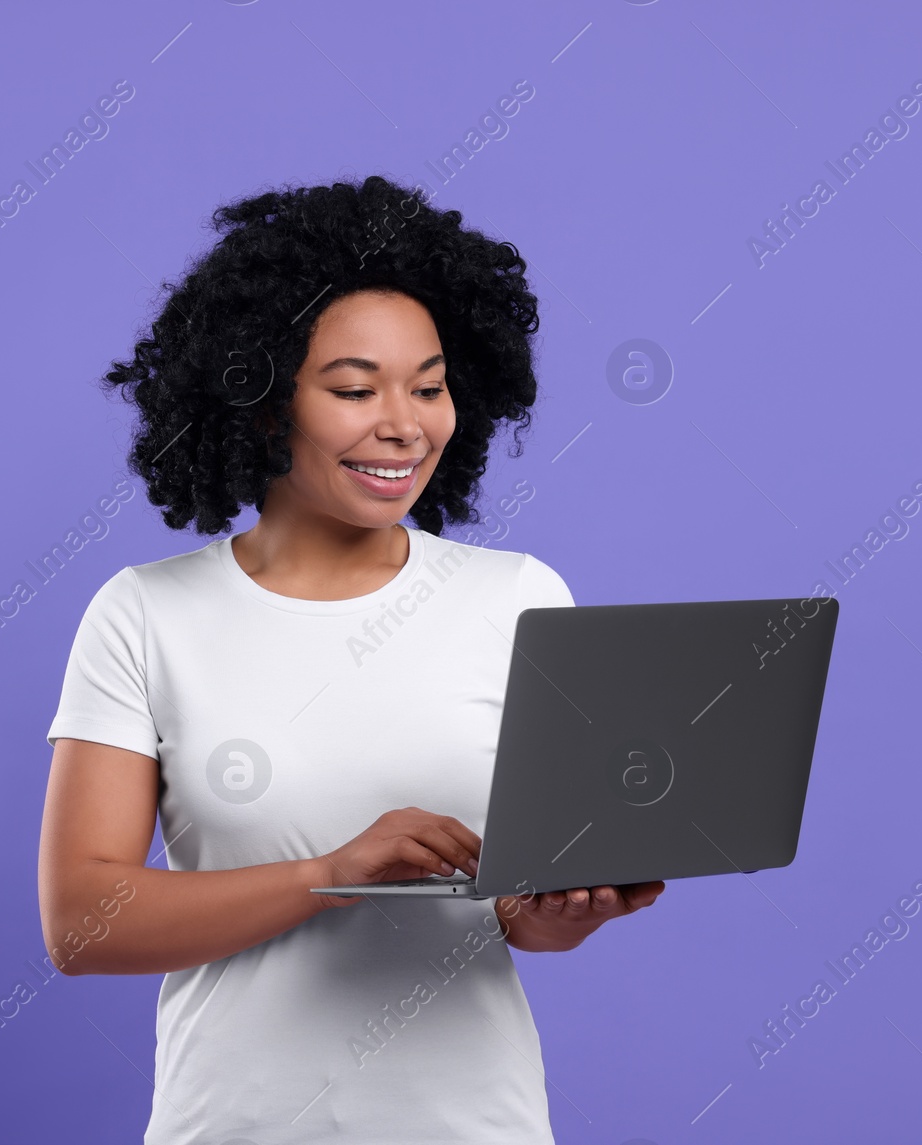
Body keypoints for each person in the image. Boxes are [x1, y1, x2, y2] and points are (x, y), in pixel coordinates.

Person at [37, 175, 665, 1144]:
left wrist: (566, 910)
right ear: (259, 399)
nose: (404, 423)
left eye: (427, 384)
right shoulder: (146, 614)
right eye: (353, 388)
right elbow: (80, 920)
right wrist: (327, 873)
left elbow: (516, 917)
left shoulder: (517, 598)